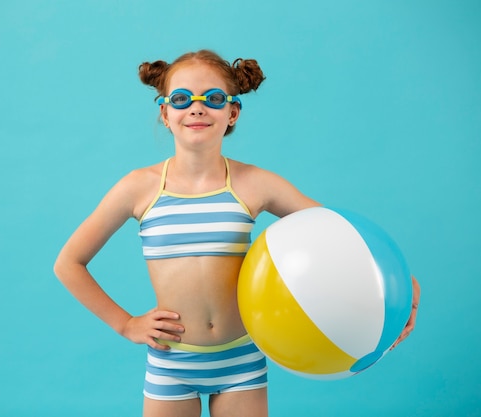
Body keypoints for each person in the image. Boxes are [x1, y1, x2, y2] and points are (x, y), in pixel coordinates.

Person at [54, 49, 421, 417]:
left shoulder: (254, 183)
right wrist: (125, 324)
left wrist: (401, 287)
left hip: (241, 359)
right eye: (181, 99)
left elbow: (342, 236)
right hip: (171, 360)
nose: (197, 108)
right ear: (165, 113)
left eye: (213, 98)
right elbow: (69, 263)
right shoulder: (139, 188)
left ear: (232, 113)